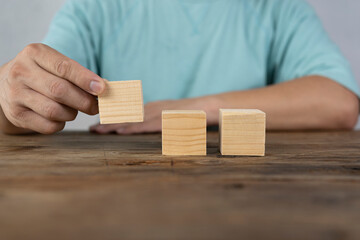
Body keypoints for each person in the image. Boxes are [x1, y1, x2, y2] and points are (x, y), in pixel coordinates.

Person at [0, 0, 359, 135]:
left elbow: (339, 103)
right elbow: (33, 94)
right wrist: (8, 94)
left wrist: (197, 108)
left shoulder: (277, 8)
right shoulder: (94, 8)